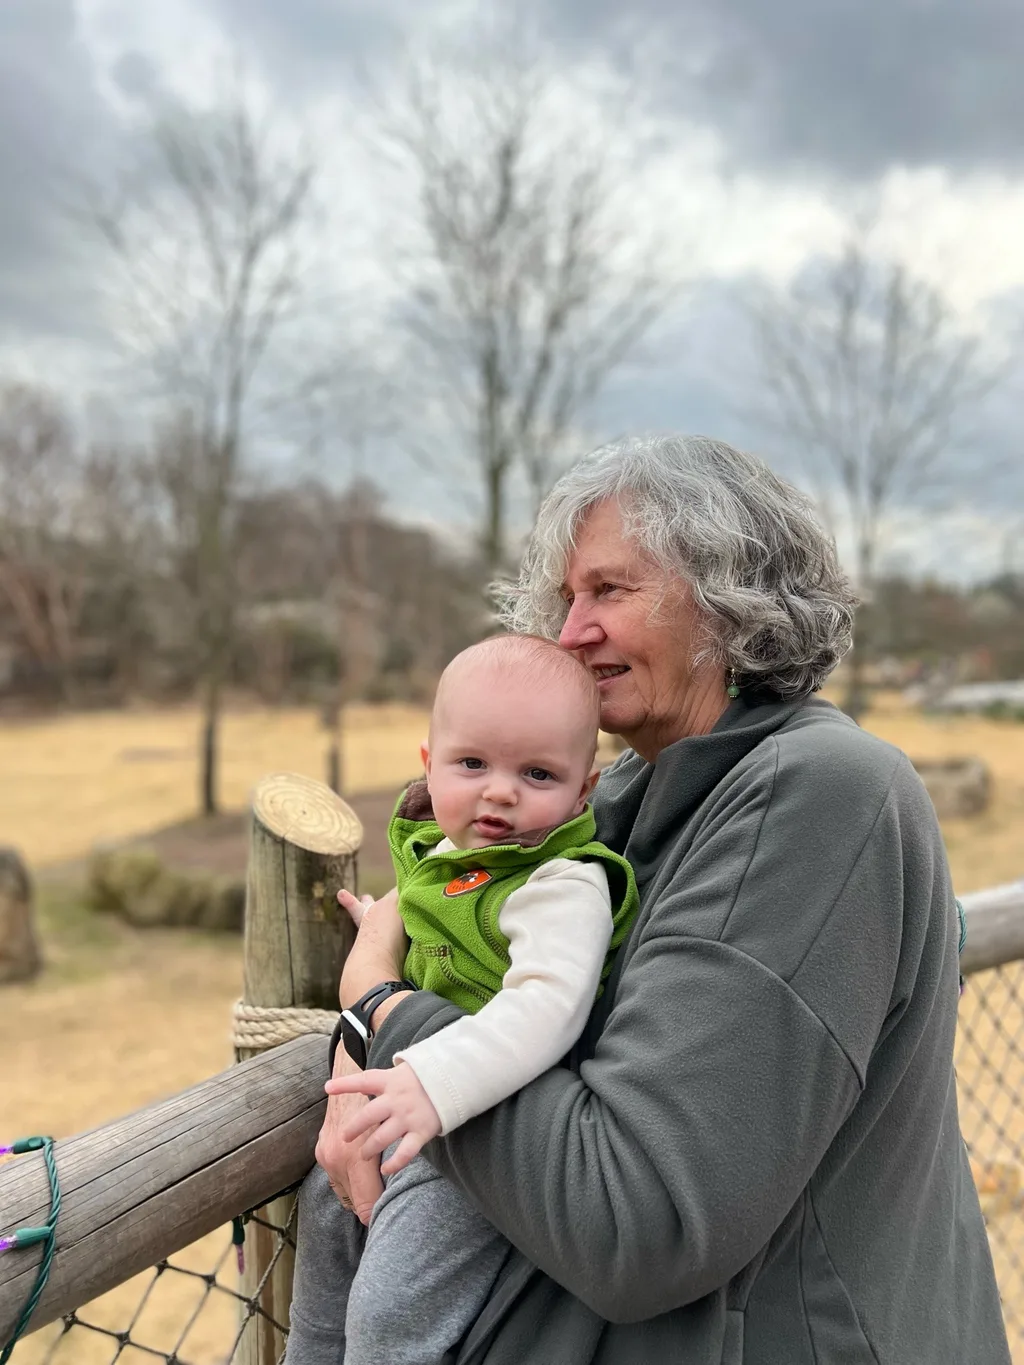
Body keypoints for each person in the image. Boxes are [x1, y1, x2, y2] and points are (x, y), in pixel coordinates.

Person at [295, 434, 1010, 1364]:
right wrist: (365, 1088)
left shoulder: (819, 791)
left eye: (609, 591)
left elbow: (634, 1218)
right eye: (564, 599)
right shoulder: (630, 799)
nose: (569, 631)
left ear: (727, 596)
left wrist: (384, 1013)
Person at [285, 633, 639, 1365]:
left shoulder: (561, 883)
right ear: (429, 764)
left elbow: (548, 1004)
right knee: (324, 1219)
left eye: (537, 772)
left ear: (584, 789)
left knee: (392, 1316)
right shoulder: (453, 857)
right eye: (472, 763)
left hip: (485, 1134)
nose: (500, 790)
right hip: (408, 1114)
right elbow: (443, 918)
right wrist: (384, 924)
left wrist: (436, 1082)